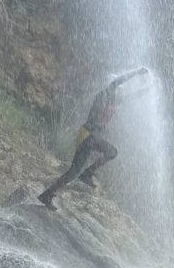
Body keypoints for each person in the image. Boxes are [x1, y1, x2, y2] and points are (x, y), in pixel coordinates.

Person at [38, 66, 149, 211]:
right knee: (111, 152)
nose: (120, 92)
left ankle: (47, 194)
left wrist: (146, 90)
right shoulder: (105, 93)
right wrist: (137, 72)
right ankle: (87, 173)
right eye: (119, 89)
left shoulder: (113, 101)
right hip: (88, 134)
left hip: (88, 136)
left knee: (74, 171)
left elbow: (130, 97)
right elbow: (118, 80)